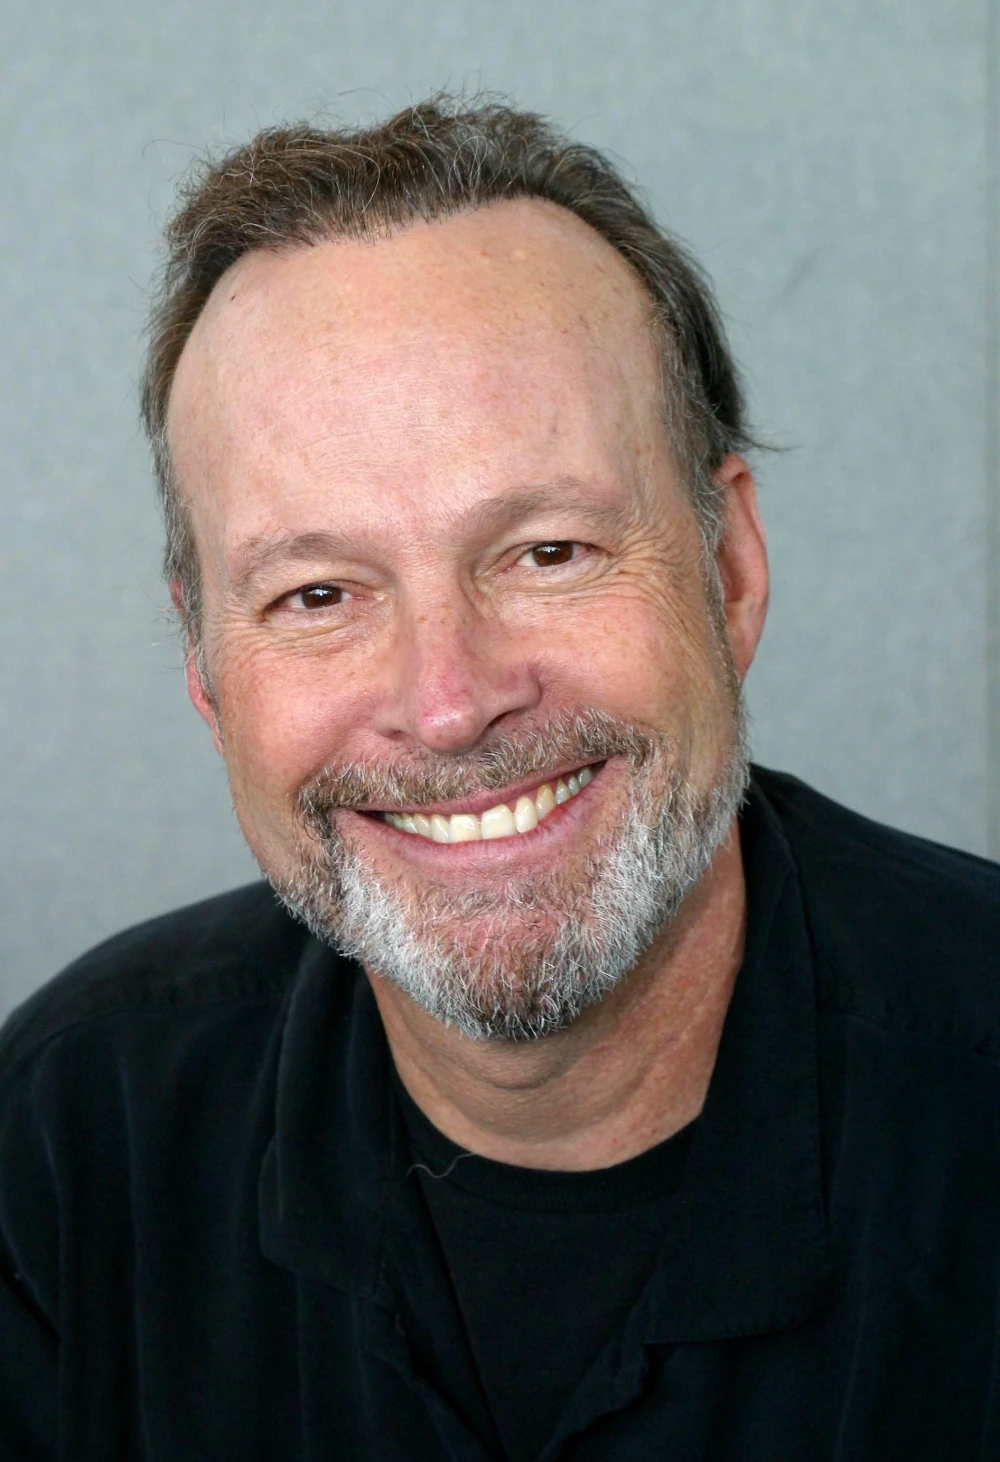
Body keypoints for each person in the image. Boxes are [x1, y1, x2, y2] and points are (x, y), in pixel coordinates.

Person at [2, 95, 999, 1462]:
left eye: (547, 552)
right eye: (316, 593)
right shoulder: (69, 1141)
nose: (449, 702)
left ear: (728, 570)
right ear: (206, 668)